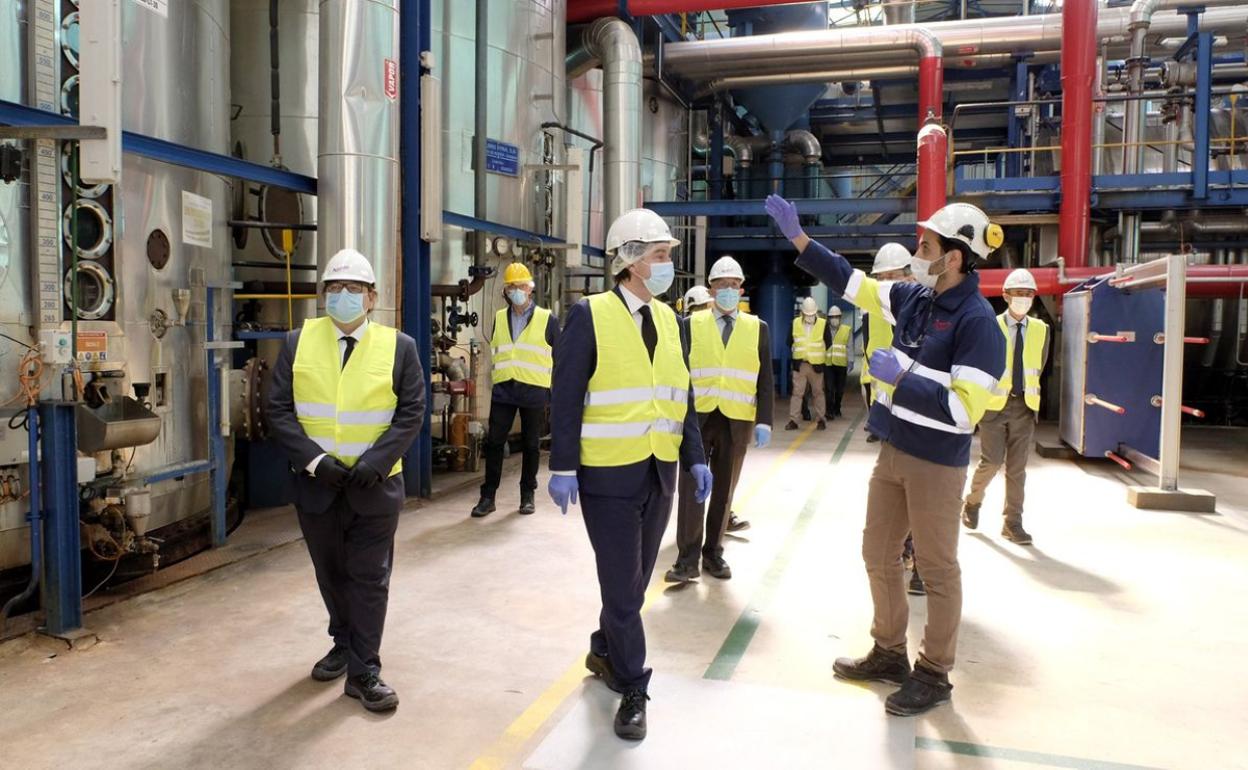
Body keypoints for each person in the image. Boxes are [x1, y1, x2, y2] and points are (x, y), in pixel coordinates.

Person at [766, 195, 1006, 717]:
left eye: (927, 245)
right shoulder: (915, 299)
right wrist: (801, 241)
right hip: (895, 449)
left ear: (955, 258)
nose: (918, 252)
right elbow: (855, 285)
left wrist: (904, 379)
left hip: (937, 463)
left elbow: (965, 413)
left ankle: (935, 673)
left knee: (938, 570)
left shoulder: (977, 322)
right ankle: (890, 652)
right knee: (878, 553)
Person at [547, 208, 713, 741]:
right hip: (606, 477)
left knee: (634, 584)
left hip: (659, 472)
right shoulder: (589, 315)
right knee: (623, 589)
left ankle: (602, 649)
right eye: (661, 255)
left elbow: (678, 394)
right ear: (631, 260)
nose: (668, 264)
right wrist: (563, 466)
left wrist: (695, 456)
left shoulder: (670, 320)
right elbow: (567, 394)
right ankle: (634, 684)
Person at [267, 248, 426, 713]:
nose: (342, 297)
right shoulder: (299, 342)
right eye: (334, 289)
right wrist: (316, 462)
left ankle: (364, 671)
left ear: (372, 298)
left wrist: (376, 462)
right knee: (331, 573)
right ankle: (342, 642)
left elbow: (411, 412)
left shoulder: (400, 347)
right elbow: (278, 409)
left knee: (369, 577)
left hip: (375, 487)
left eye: (352, 289)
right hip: (318, 485)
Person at [666, 256, 774, 584]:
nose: (728, 289)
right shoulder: (690, 325)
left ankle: (713, 552)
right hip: (697, 418)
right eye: (722, 284)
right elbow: (678, 372)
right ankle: (687, 559)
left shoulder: (758, 328)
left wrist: (764, 420)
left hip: (737, 420)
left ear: (741, 289)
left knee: (725, 490)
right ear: (711, 288)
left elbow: (765, 379)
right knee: (691, 489)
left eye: (733, 284)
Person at [962, 268, 1049, 546]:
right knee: (992, 461)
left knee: (1017, 468)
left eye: (1028, 294)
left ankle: (1013, 522)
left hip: (1025, 406)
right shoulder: (991, 325)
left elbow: (1041, 365)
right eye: (1018, 294)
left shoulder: (1041, 330)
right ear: (1006, 296)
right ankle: (972, 501)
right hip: (993, 407)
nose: (1023, 299)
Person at [471, 262, 560, 518]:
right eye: (511, 287)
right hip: (504, 389)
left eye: (520, 286)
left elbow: (562, 357)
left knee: (531, 445)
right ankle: (488, 497)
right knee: (495, 443)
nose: (516, 291)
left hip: (533, 389)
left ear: (529, 289)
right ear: (506, 291)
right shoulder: (499, 318)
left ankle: (527, 495)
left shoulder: (547, 319)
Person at [860, 243, 914, 444]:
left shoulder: (922, 305)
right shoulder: (870, 307)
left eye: (892, 276)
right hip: (883, 390)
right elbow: (867, 342)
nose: (886, 283)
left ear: (910, 275)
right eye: (881, 278)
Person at [787, 296, 831, 431]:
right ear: (802, 312)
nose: (810, 316)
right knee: (797, 393)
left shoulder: (823, 324)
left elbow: (828, 342)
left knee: (818, 393)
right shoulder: (795, 323)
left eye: (812, 314)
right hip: (800, 365)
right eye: (807, 314)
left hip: (816, 366)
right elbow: (788, 341)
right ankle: (794, 420)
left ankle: (821, 419)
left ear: (816, 312)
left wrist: (817, 354)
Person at [824, 306, 852, 420]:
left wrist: (850, 361)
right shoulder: (824, 330)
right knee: (829, 389)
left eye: (836, 317)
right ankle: (829, 411)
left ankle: (837, 407)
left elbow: (850, 346)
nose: (834, 319)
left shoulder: (846, 329)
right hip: (828, 364)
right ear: (828, 318)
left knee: (840, 390)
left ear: (840, 318)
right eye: (832, 317)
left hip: (841, 364)